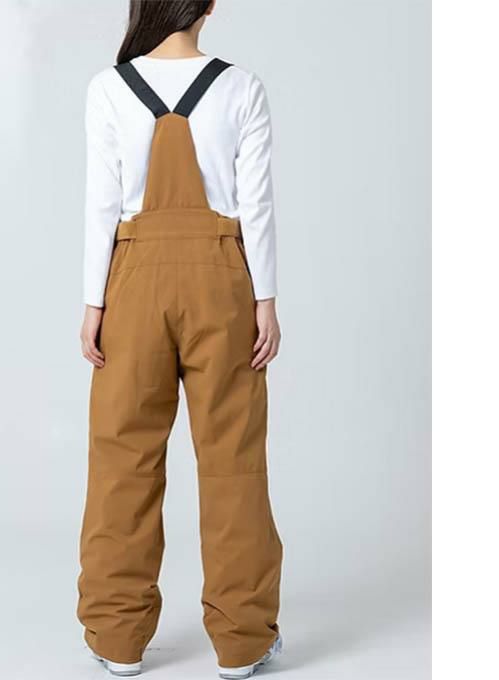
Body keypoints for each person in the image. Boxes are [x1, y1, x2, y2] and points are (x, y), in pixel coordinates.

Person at [77, 2, 283, 677]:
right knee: (233, 459)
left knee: (123, 456)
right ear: (209, 4)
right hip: (222, 281)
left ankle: (116, 638)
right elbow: (256, 203)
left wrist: (93, 303)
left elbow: (101, 204)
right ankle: (243, 642)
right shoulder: (241, 88)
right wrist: (264, 299)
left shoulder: (110, 88)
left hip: (132, 280)